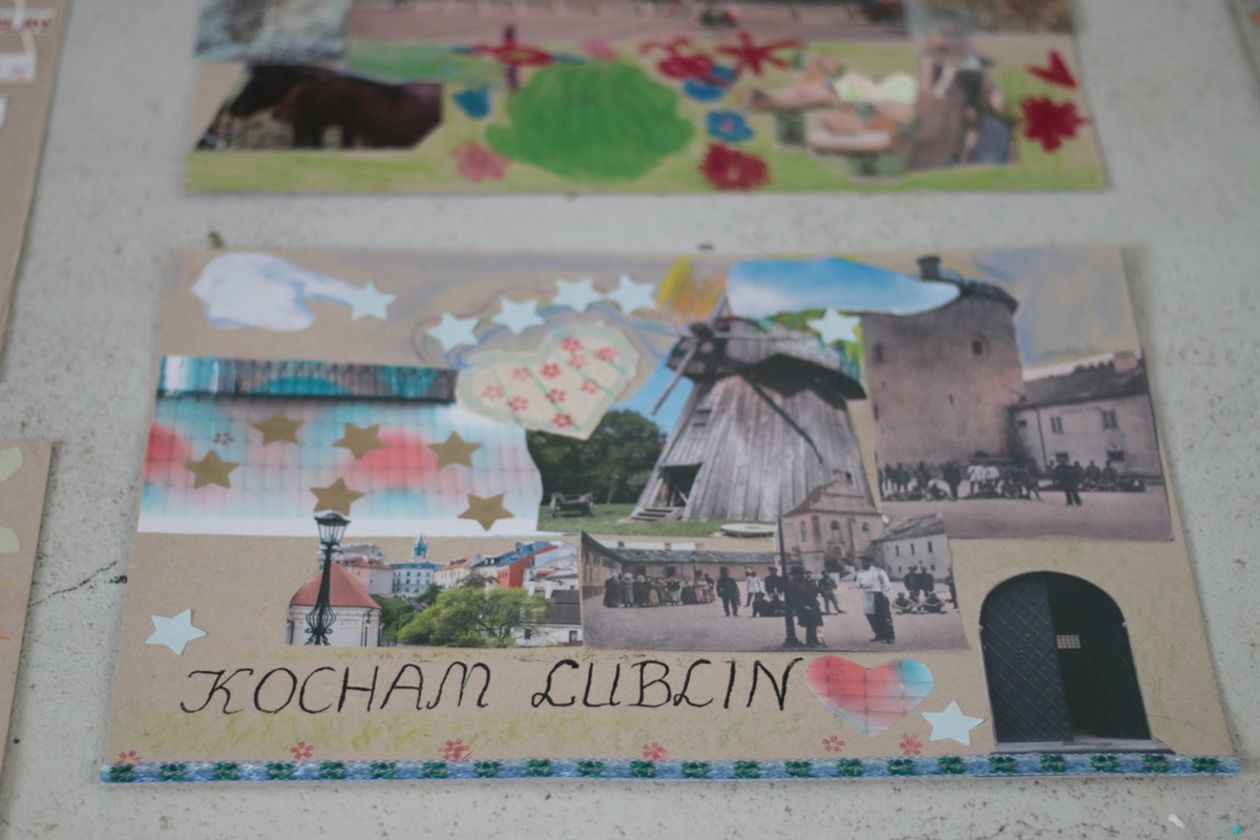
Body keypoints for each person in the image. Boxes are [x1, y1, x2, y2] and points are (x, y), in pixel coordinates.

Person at [856, 559, 895, 643]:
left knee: (884, 617)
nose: (863, 564)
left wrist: (883, 593)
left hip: (878, 595)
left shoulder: (879, 571)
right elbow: (858, 585)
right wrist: (860, 585)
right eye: (862, 562)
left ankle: (889, 637)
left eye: (865, 562)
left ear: (870, 562)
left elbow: (887, 584)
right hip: (867, 596)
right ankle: (879, 634)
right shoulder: (860, 573)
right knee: (871, 616)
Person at [786, 567, 824, 647]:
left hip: (813, 603)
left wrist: (816, 588)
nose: (800, 575)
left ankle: (814, 639)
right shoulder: (792, 584)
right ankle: (810, 641)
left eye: (801, 574)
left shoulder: (806, 581)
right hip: (803, 605)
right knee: (809, 624)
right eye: (797, 574)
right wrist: (804, 606)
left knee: (815, 623)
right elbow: (794, 597)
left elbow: (813, 591)